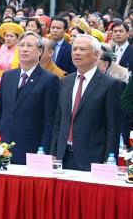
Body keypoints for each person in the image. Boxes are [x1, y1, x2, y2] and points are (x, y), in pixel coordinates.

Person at [51, 35, 122, 171]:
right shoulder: (66, 81)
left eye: (82, 49)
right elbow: (59, 121)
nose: (77, 53)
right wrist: (54, 152)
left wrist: (110, 161)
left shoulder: (110, 85)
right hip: (62, 157)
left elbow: (113, 128)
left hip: (93, 159)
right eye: (74, 49)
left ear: (96, 55)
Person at [0, 32, 60, 164]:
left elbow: (49, 121)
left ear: (40, 51)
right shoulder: (8, 76)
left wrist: (45, 151)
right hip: (3, 148)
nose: (24, 49)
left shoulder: (50, 80)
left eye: (29, 45)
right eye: (21, 45)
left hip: (32, 150)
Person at [0, 23, 24, 89]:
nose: (8, 38)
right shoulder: (1, 51)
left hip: (12, 83)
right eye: (6, 36)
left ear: (17, 38)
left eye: (11, 36)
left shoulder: (20, 51)